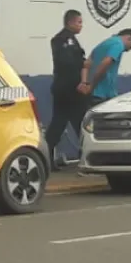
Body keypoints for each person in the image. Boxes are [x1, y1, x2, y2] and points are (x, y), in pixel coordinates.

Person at [45, 10, 89, 165]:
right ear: (70, 22)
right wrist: (82, 64)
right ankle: (48, 157)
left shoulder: (72, 40)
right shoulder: (62, 40)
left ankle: (84, 156)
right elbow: (66, 63)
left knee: (72, 123)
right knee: (69, 124)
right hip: (68, 90)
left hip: (70, 89)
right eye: (79, 22)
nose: (81, 26)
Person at [81, 28, 131, 106]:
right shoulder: (119, 44)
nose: (128, 50)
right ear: (129, 38)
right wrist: (92, 85)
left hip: (92, 93)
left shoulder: (105, 43)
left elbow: (86, 64)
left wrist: (84, 83)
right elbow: (105, 63)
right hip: (103, 93)